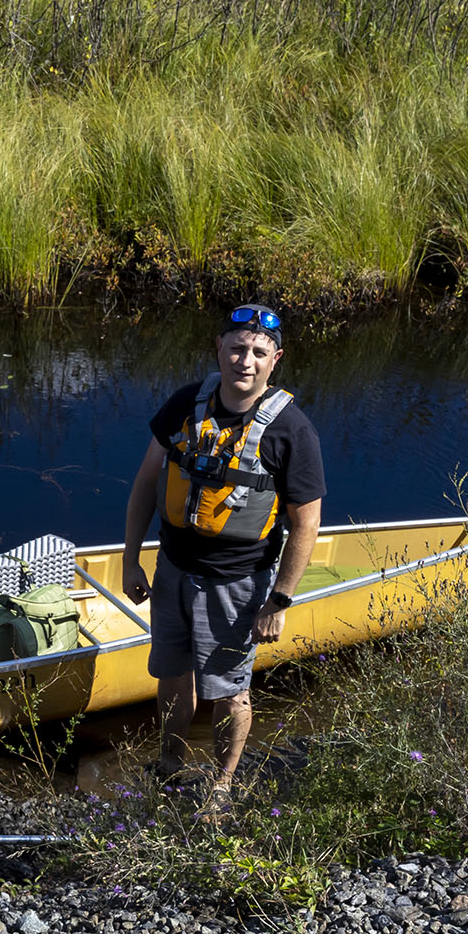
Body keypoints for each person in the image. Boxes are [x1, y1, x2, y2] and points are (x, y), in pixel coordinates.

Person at [118, 306, 324, 802]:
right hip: (172, 570)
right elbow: (146, 483)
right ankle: (169, 765)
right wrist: (130, 558)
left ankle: (222, 785)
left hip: (237, 584)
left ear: (275, 359)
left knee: (229, 691)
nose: (245, 361)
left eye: (258, 352)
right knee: (171, 674)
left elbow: (307, 524)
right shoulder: (186, 403)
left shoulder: (291, 430)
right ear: (219, 347)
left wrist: (279, 600)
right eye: (236, 348)